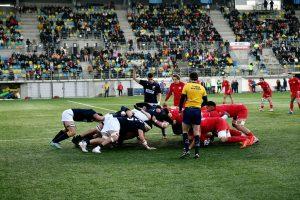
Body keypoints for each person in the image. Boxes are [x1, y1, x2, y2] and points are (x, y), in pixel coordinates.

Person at [179, 72, 207, 159]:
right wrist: (199, 107)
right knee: (196, 132)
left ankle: (187, 150)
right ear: (197, 78)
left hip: (188, 110)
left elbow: (182, 99)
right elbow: (205, 101)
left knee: (185, 131)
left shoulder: (187, 86)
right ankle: (197, 153)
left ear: (190, 78)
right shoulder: (202, 87)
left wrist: (180, 109)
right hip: (197, 111)